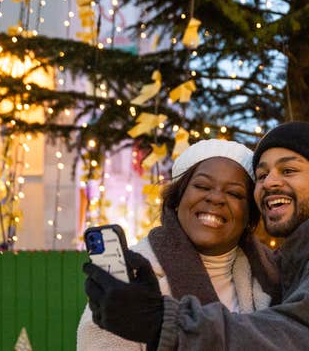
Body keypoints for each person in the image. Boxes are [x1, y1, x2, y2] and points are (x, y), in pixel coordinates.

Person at [83, 121, 309, 350]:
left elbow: (301, 339)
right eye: (263, 174)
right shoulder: (296, 262)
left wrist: (166, 321)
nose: (271, 183)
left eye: (290, 169)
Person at [79, 139, 278, 350]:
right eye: (202, 186)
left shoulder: (274, 276)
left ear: (250, 215)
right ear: (177, 199)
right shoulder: (133, 279)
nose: (216, 198)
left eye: (234, 193)